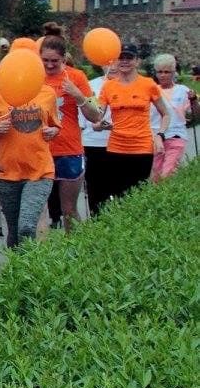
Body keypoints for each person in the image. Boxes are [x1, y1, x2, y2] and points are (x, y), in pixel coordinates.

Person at [0, 81, 61, 248]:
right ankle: (17, 264)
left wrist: (53, 131)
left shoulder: (47, 92)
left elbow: (55, 125)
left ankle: (31, 263)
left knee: (27, 226)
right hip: (7, 173)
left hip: (40, 171)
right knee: (14, 230)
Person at [39, 24, 102, 232]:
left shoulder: (76, 77)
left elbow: (95, 115)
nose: (49, 65)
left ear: (64, 59)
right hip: (39, 150)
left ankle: (75, 247)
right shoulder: (33, 76)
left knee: (69, 209)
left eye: (54, 61)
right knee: (39, 211)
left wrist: (78, 95)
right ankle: (41, 250)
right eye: (45, 60)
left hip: (68, 149)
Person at [95, 42, 171, 203]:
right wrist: (99, 124)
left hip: (142, 146)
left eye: (129, 58)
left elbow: (165, 114)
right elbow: (97, 116)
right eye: (121, 58)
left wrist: (160, 135)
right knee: (117, 194)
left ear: (137, 61)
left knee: (139, 194)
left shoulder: (148, 84)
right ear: (116, 61)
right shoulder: (108, 86)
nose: (124, 61)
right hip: (116, 147)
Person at [149, 53, 197, 181]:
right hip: (156, 138)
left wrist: (194, 101)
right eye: (160, 72)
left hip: (176, 136)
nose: (163, 75)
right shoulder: (150, 90)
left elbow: (195, 115)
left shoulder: (183, 90)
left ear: (173, 72)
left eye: (167, 72)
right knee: (155, 176)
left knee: (168, 173)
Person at [82, 65, 115, 216]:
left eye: (117, 60)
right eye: (108, 62)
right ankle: (97, 220)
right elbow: (84, 113)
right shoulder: (90, 85)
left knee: (116, 187)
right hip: (93, 142)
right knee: (95, 188)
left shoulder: (130, 85)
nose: (112, 66)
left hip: (121, 143)